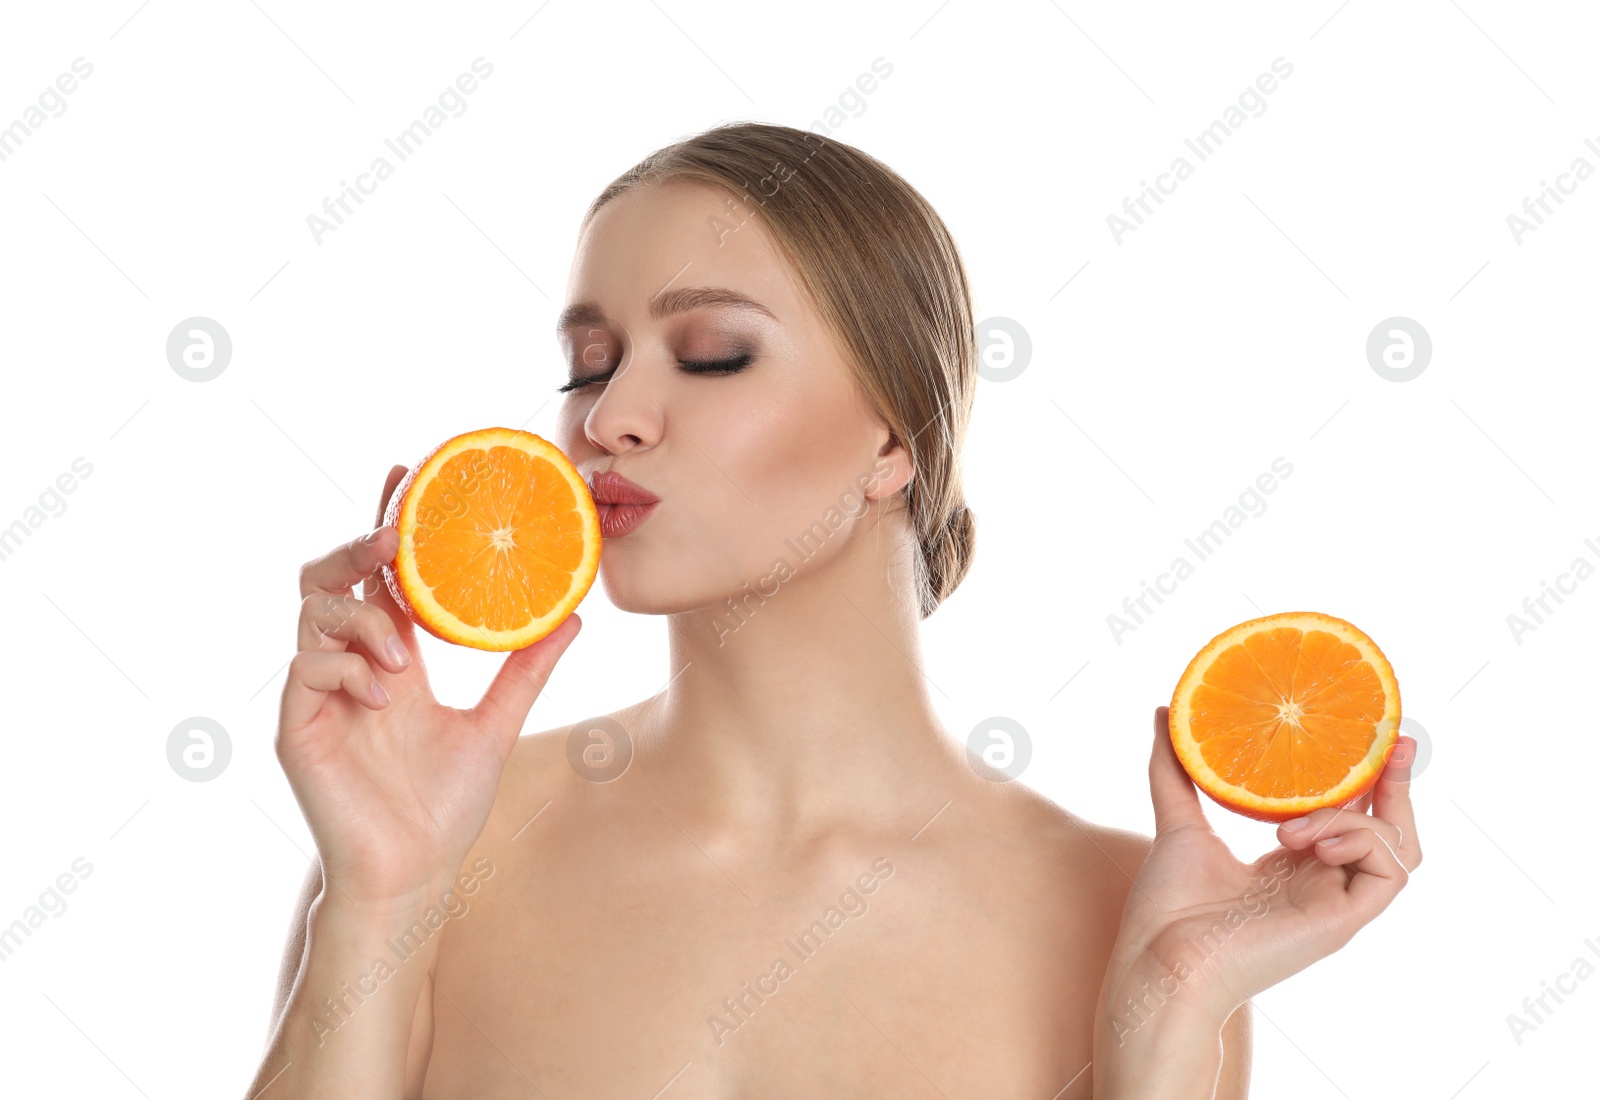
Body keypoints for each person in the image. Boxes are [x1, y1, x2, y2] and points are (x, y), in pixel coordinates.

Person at [246, 122, 1420, 1098]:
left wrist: (1165, 1017)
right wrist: (381, 897)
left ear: (894, 437)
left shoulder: (1136, 915)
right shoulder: (448, 842)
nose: (610, 418)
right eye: (589, 364)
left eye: (709, 354)